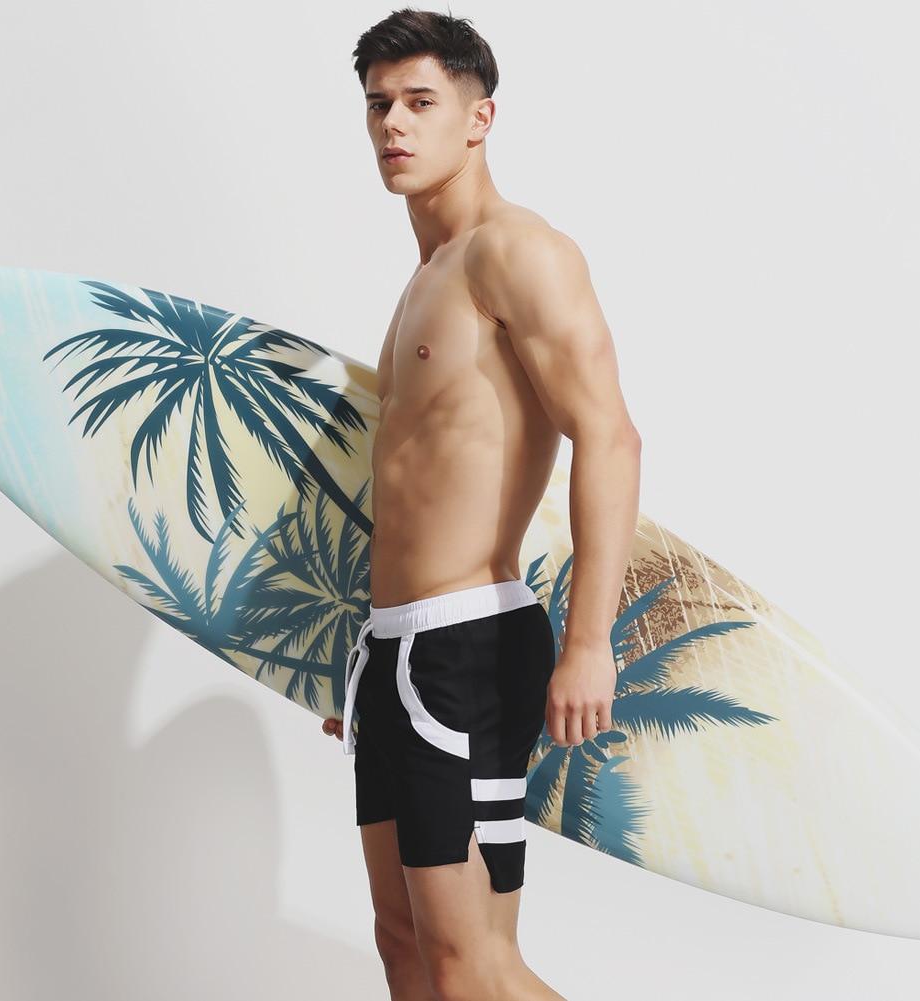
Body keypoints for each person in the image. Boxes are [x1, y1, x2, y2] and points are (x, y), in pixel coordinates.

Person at [322, 8, 641, 1000]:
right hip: (394, 650)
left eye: (419, 101)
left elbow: (609, 435)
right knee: (405, 948)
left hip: (464, 649)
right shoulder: (424, 278)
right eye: (377, 104)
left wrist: (588, 643)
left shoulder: (519, 253)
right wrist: (369, 658)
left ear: (479, 116)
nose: (392, 124)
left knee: (473, 965)